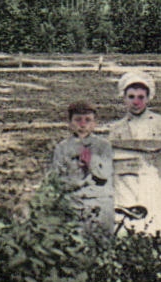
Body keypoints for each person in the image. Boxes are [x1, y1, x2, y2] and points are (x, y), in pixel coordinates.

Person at [108, 69, 161, 240]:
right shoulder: (117, 128)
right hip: (124, 183)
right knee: (127, 228)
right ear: (124, 98)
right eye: (131, 97)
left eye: (141, 97)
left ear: (148, 98)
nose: (136, 102)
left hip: (150, 180)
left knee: (154, 225)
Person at [46, 101, 114, 236]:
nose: (83, 125)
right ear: (70, 123)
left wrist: (91, 163)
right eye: (78, 120)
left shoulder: (103, 146)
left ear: (94, 123)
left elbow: (105, 175)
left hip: (98, 200)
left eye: (88, 120)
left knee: (101, 239)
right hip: (73, 201)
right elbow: (55, 176)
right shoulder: (62, 147)